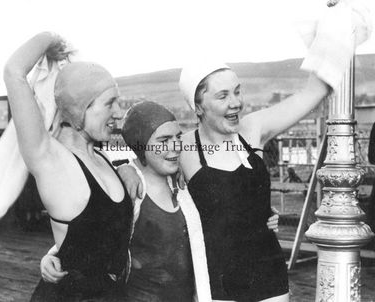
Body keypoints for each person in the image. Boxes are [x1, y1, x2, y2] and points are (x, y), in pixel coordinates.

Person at [177, 61, 330, 302]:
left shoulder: (252, 130)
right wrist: (126, 170)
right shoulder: (183, 148)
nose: (236, 102)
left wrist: (333, 39)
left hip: (269, 276)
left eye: (237, 91)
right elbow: (144, 175)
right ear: (198, 106)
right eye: (223, 96)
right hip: (219, 283)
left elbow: (314, 91)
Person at [4, 32, 133, 301]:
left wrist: (129, 167)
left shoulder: (104, 158)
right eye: (110, 103)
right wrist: (51, 38)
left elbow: (94, 235)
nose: (119, 112)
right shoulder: (49, 158)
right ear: (79, 108)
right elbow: (14, 71)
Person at [41, 101, 213, 302]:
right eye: (163, 140)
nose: (175, 146)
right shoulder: (129, 190)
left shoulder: (184, 185)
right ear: (140, 144)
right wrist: (53, 255)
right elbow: (90, 232)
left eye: (177, 137)